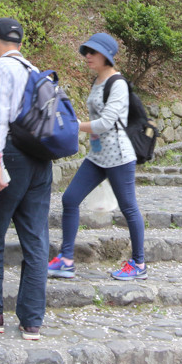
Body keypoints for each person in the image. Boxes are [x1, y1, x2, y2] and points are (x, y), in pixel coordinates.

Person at [0, 18, 52, 342]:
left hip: (11, 157)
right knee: (36, 241)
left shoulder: (0, 67)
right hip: (41, 162)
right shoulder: (34, 70)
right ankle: (32, 320)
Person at [48, 32, 147, 282]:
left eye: (92, 52)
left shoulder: (118, 84)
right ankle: (66, 260)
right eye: (86, 52)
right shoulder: (97, 81)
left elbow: (105, 123)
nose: (87, 56)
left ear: (106, 56)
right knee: (70, 199)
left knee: (128, 208)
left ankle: (139, 263)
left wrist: (73, 126)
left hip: (120, 157)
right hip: (98, 156)